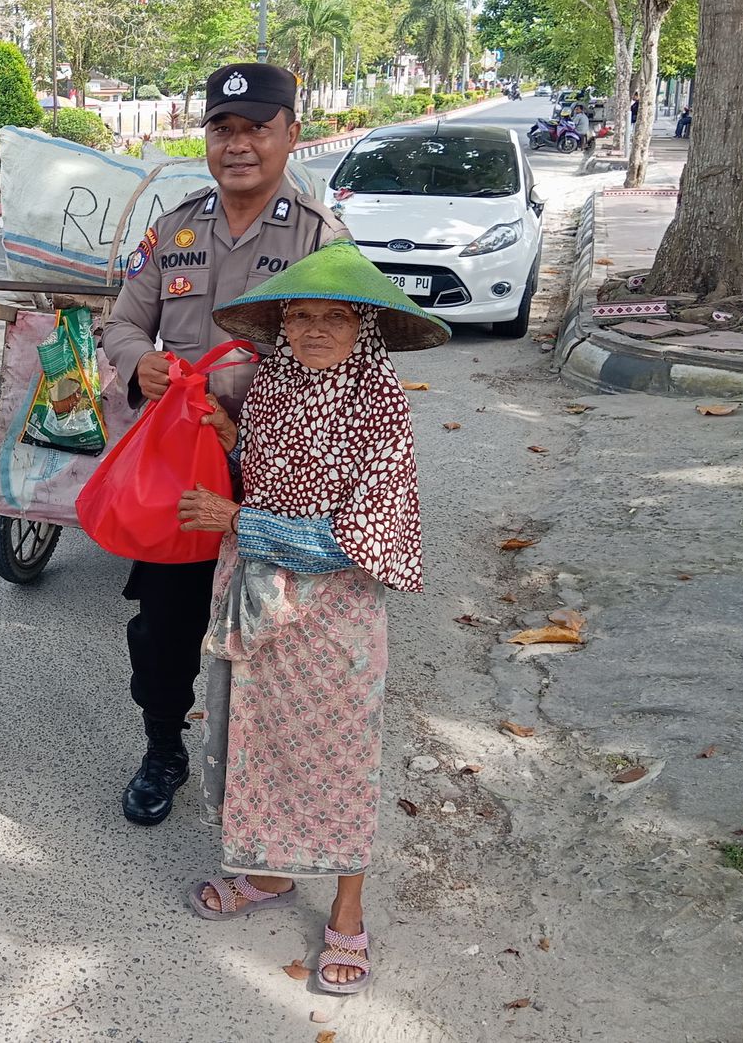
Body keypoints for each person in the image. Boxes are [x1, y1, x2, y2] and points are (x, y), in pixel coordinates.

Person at [174, 240, 448, 995]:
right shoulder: (272, 387)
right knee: (253, 738)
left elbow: (361, 536)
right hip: (257, 595)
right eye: (299, 316)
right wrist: (230, 441)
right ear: (282, 325)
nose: (314, 330)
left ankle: (349, 914)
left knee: (337, 757)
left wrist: (239, 519)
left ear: (363, 327)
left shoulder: (380, 404)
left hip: (336, 616)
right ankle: (265, 875)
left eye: (334, 316)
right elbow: (268, 471)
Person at [100, 63, 351, 827]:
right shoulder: (174, 228)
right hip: (179, 467)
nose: (238, 144)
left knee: (271, 623)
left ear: (290, 136)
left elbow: (342, 360)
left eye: (256, 129)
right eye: (223, 129)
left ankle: (264, 765)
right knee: (163, 623)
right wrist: (134, 363)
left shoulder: (318, 239)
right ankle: (162, 748)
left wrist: (254, 429)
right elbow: (121, 323)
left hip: (272, 471)